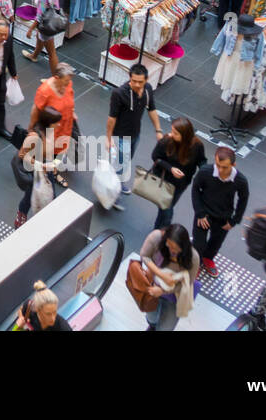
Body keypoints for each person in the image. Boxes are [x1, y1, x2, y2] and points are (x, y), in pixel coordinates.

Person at [106, 63, 163, 210]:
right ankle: (112, 193)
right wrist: (108, 138)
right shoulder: (119, 94)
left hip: (135, 135)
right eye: (134, 81)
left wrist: (158, 130)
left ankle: (117, 183)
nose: (137, 84)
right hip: (120, 137)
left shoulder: (148, 90)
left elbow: (152, 109)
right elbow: (111, 118)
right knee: (119, 165)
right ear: (129, 78)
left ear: (146, 79)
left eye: (140, 81)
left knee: (125, 162)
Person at [190, 146, 249, 275]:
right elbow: (195, 190)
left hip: (223, 217)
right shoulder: (205, 171)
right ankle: (196, 263)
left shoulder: (241, 181)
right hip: (204, 214)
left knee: (216, 243)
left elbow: (243, 199)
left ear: (233, 165)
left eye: (225, 167)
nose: (220, 170)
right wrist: (200, 213)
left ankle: (207, 259)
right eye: (218, 165)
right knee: (198, 244)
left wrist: (234, 221)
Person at [148, 117, 205, 230]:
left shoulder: (197, 145)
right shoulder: (167, 141)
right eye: (172, 131)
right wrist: (171, 168)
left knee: (167, 206)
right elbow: (155, 156)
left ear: (185, 135)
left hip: (181, 184)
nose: (171, 134)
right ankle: (163, 232)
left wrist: (203, 171)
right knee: (167, 211)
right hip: (164, 181)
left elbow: (202, 160)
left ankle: (157, 228)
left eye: (175, 133)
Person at [140, 223, 199, 331]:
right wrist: (160, 274)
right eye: (169, 245)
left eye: (176, 248)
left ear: (184, 246)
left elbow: (187, 283)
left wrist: (162, 291)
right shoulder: (157, 238)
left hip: (174, 296)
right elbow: (144, 255)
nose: (172, 251)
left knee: (165, 328)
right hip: (153, 286)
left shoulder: (193, 258)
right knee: (151, 317)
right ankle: (152, 326)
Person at [15, 106, 64, 228]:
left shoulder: (50, 131)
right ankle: (21, 215)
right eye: (56, 122)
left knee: (51, 194)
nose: (58, 125)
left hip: (45, 167)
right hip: (34, 170)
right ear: (48, 122)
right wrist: (40, 165)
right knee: (30, 195)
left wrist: (52, 164)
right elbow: (22, 154)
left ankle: (46, 217)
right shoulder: (34, 136)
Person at [29, 62, 76, 163]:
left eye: (69, 80)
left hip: (66, 124)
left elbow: (70, 95)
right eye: (66, 80)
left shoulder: (68, 84)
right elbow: (36, 109)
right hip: (52, 128)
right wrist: (32, 127)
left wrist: (72, 111)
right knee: (48, 151)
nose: (69, 83)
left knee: (63, 146)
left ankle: (53, 165)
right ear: (57, 78)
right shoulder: (44, 91)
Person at [23, 0, 62, 74]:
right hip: (52, 19)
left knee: (52, 53)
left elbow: (39, 17)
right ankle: (34, 56)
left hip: (46, 24)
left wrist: (30, 29)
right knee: (39, 37)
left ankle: (55, 78)